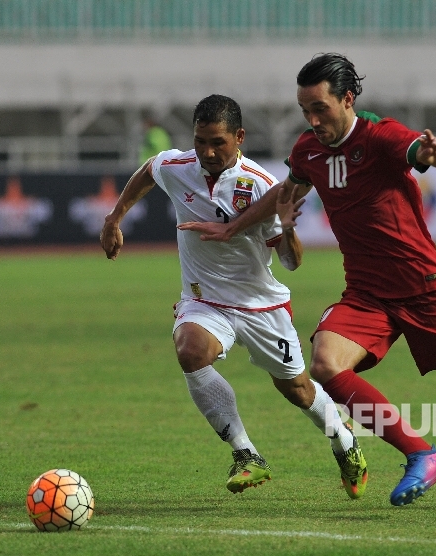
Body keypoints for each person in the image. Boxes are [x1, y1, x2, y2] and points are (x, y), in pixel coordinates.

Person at [178, 54, 436, 509]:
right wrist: (237, 226)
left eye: (321, 109)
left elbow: (433, 152)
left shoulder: (380, 136)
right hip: (368, 294)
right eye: (305, 111)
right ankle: (421, 453)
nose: (313, 120)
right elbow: (286, 190)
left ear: (347, 99)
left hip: (427, 286)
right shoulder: (308, 150)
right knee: (326, 365)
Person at [100, 94, 368, 498]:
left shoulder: (261, 186)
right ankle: (246, 454)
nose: (207, 151)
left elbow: (293, 263)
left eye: (218, 142)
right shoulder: (178, 166)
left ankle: (344, 440)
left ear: (239, 137)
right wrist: (115, 217)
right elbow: (149, 170)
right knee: (190, 350)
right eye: (200, 140)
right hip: (204, 300)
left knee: (297, 390)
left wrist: (288, 228)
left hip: (261, 306)